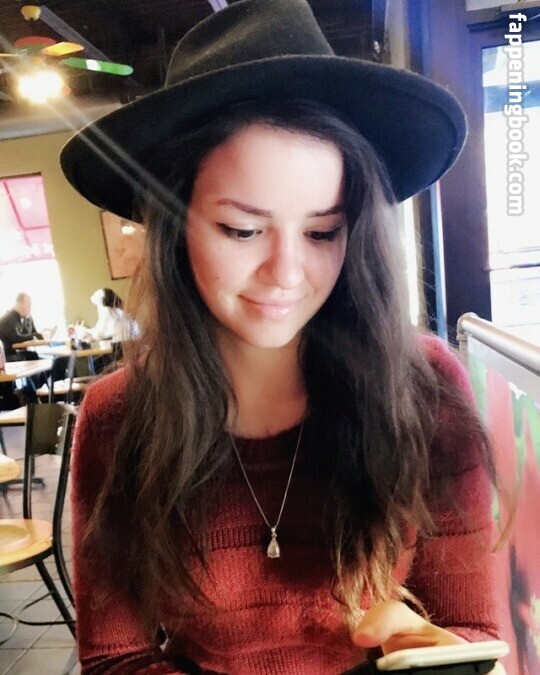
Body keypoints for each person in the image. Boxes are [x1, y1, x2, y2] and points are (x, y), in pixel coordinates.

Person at [61, 1, 504, 672]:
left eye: (323, 231)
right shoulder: (118, 417)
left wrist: (432, 651)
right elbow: (116, 657)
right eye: (243, 230)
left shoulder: (423, 387)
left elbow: (471, 627)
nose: (288, 273)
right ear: (175, 229)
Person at [0, 292, 43, 360]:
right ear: (18, 304)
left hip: (17, 353)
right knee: (33, 357)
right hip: (8, 356)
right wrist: (36, 336)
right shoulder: (8, 319)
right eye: (28, 305)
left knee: (34, 355)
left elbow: (32, 332)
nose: (30, 308)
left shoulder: (22, 317)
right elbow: (17, 338)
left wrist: (29, 320)